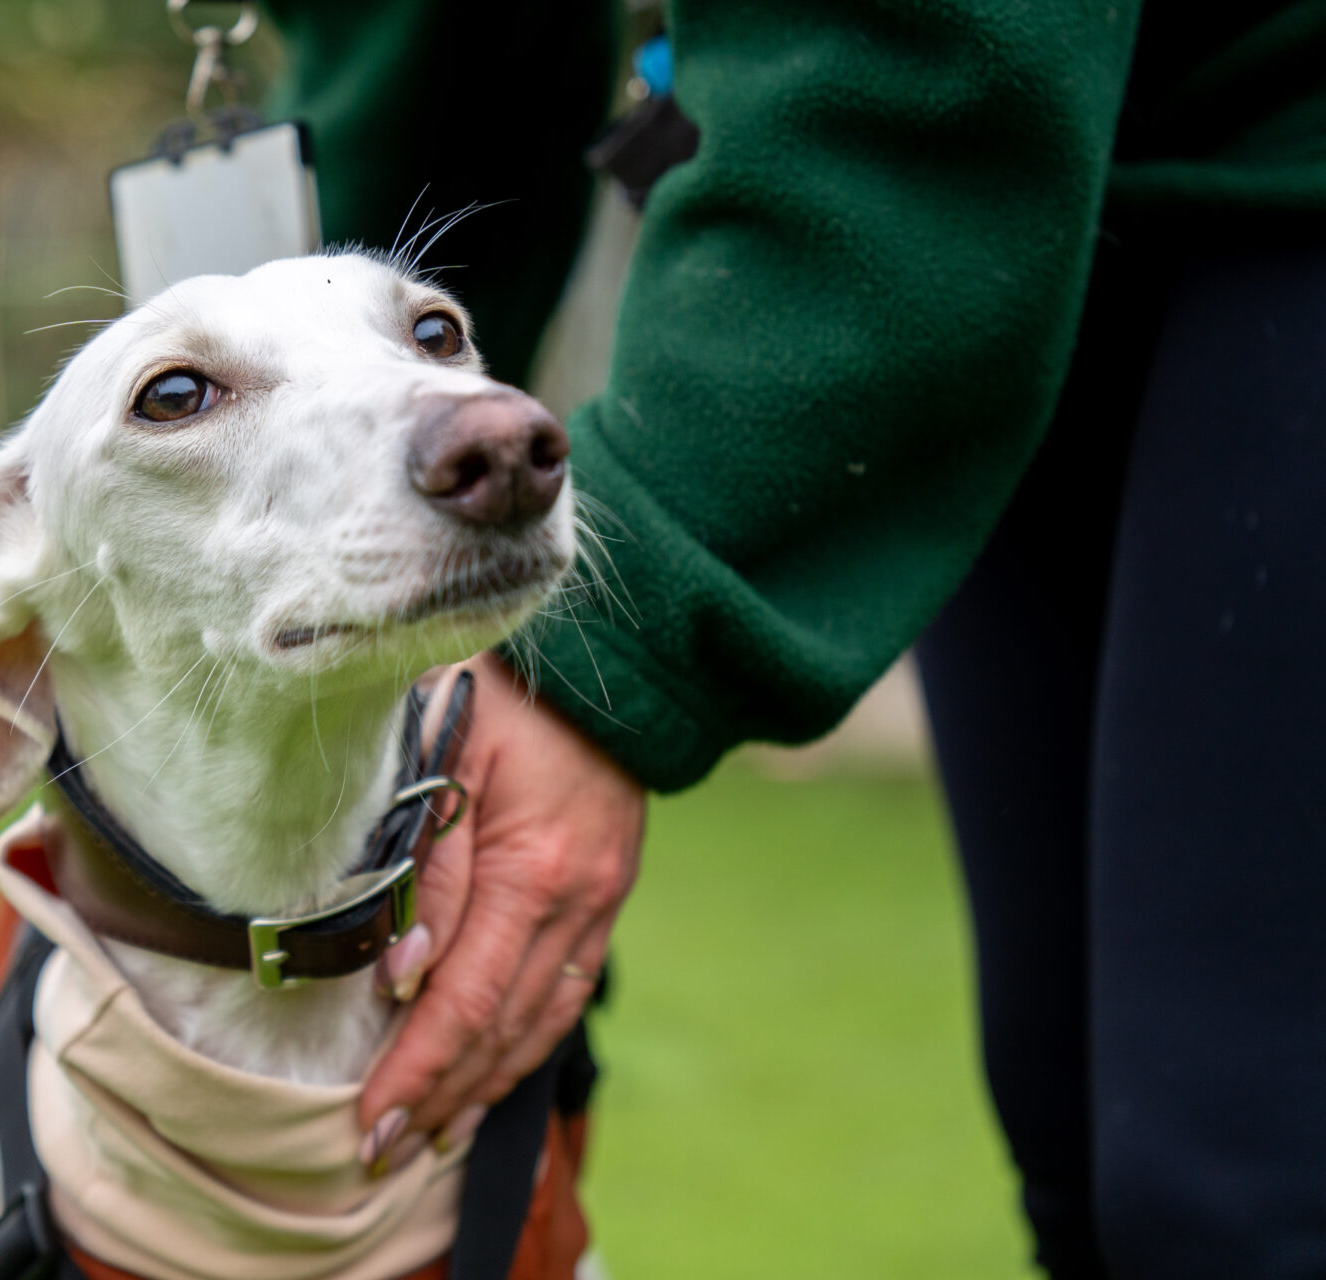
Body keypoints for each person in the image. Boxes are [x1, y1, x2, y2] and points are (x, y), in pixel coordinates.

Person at [260, 1, 1326, 1275]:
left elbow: (918, 42)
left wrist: (617, 628)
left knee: (1240, 1191)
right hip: (1038, 200)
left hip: (1241, 128)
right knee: (1092, 1169)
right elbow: (443, 47)